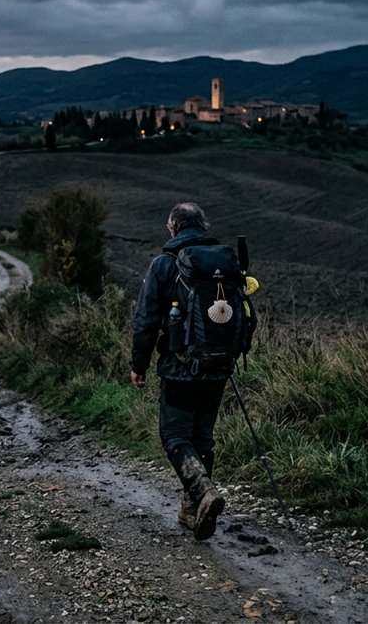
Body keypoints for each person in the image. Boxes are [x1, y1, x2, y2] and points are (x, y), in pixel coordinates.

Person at [129, 201, 230, 540]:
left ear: (172, 228)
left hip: (180, 368)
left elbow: (145, 320)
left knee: (174, 436)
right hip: (219, 367)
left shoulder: (164, 264)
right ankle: (193, 512)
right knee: (202, 437)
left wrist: (138, 365)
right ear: (202, 227)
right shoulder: (224, 263)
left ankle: (203, 492)